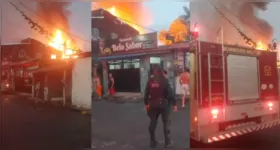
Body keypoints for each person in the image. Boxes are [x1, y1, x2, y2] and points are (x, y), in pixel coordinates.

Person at [144, 65, 177, 148]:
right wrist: (174, 104)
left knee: (153, 122)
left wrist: (146, 104)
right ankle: (167, 143)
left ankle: (152, 141)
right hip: (163, 105)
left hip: (152, 105)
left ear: (155, 72)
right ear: (162, 72)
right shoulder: (165, 80)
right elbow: (171, 94)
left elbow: (146, 94)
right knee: (166, 123)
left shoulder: (150, 81)